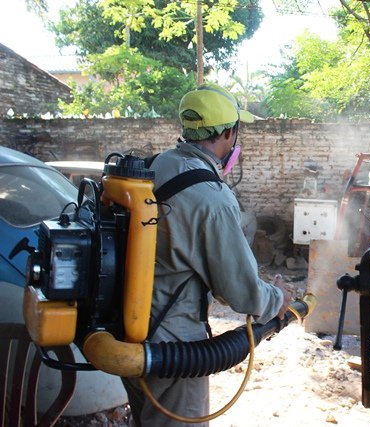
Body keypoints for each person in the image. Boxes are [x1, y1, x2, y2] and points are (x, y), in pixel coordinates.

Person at [122, 83, 291, 426]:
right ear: (228, 132)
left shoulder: (155, 166)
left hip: (129, 333)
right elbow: (240, 292)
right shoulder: (211, 198)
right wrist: (279, 299)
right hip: (174, 348)